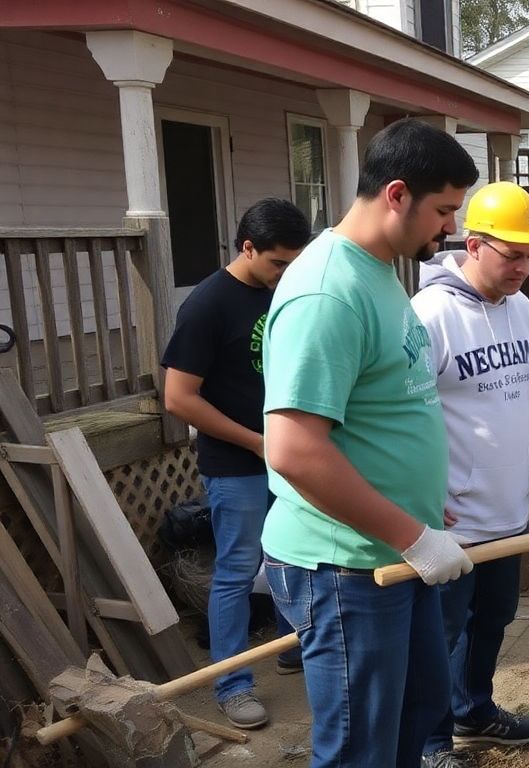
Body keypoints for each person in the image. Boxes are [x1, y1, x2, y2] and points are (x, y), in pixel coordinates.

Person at [261, 118, 480, 768]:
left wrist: (414, 503)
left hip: (392, 550)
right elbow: (294, 450)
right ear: (396, 194)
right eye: (442, 210)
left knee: (412, 722)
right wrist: (411, 534)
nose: (449, 229)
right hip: (345, 569)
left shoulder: (380, 270)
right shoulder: (327, 290)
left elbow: (380, 410)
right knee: (362, 749)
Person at [412, 182, 529, 766]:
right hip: (450, 518)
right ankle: (430, 740)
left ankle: (475, 709)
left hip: (507, 512)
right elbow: (403, 417)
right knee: (439, 633)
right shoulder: (429, 317)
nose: (524, 267)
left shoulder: (523, 308)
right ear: (473, 245)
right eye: (512, 254)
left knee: (493, 620)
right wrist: (418, 498)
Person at [161, 198, 310, 729]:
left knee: (298, 558)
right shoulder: (207, 305)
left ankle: (298, 649)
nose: (286, 273)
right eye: (277, 263)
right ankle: (232, 683)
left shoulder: (282, 294)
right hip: (237, 464)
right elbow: (178, 397)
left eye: (295, 262)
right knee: (237, 573)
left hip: (289, 454)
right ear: (248, 248)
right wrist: (253, 442)